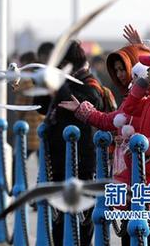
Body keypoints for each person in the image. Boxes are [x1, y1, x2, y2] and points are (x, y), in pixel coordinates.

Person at [59, 54, 150, 246]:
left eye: (149, 70)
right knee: (131, 234)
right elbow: (116, 117)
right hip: (136, 178)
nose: (145, 74)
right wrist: (82, 110)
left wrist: (143, 147)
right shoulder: (149, 96)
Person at [44, 40, 106, 246]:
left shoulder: (90, 83)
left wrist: (59, 84)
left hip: (82, 161)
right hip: (60, 159)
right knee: (59, 213)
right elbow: (46, 107)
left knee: (83, 215)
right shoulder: (68, 82)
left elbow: (91, 102)